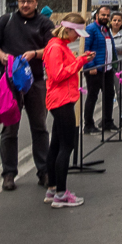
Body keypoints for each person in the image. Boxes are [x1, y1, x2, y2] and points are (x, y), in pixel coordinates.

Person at [0, 0, 54, 191]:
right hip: (8, 83)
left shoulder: (44, 23)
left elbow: (52, 48)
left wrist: (35, 53)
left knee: (40, 128)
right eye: (22, 1)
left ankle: (44, 171)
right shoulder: (5, 21)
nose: (25, 5)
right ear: (17, 1)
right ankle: (8, 173)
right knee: (9, 130)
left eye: (30, 1)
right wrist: (2, 56)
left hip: (35, 81)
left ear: (36, 3)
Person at [42, 13, 95, 208]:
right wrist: (80, 62)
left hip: (62, 98)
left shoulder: (59, 45)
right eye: (77, 33)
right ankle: (61, 193)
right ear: (69, 29)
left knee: (56, 145)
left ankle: (53, 188)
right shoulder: (56, 47)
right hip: (61, 99)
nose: (79, 37)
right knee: (66, 146)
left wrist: (80, 60)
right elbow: (57, 75)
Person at [83, 6, 118, 134]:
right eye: (103, 15)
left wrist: (113, 64)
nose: (105, 17)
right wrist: (91, 66)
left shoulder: (106, 29)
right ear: (97, 15)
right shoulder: (91, 29)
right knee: (92, 96)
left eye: (107, 15)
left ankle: (107, 121)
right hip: (95, 69)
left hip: (107, 68)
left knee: (109, 94)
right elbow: (86, 48)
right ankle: (88, 124)